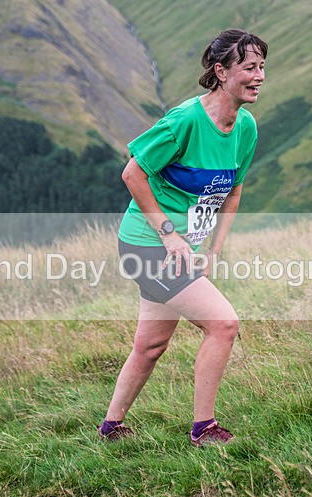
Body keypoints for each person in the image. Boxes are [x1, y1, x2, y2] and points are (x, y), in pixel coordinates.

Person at [99, 29, 268, 446]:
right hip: (147, 244)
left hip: (180, 248)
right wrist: (171, 235)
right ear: (221, 71)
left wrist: (213, 250)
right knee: (224, 324)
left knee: (151, 345)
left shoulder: (244, 127)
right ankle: (203, 429)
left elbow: (234, 190)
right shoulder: (185, 121)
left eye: (262, 67)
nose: (259, 76)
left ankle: (111, 428)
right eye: (249, 67)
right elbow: (133, 173)